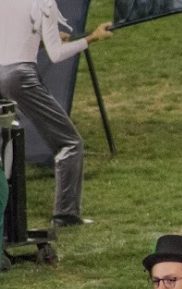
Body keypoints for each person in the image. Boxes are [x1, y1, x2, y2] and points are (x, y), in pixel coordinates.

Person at [0, 0, 112, 227]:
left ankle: (7, 217)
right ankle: (65, 215)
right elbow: (57, 55)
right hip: (19, 77)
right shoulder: (44, 3)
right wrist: (92, 37)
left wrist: (40, 42)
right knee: (69, 143)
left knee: (5, 145)